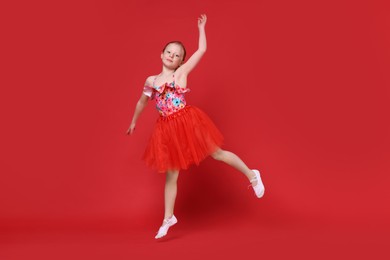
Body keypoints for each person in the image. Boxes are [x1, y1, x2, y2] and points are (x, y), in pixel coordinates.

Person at [126, 14, 265, 239]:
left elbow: (201, 50)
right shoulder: (151, 80)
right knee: (171, 175)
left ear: (181, 61)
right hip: (166, 129)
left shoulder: (181, 73)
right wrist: (133, 121)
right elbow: (142, 102)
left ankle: (252, 175)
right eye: (169, 52)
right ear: (161, 54)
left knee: (217, 153)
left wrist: (202, 29)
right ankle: (168, 218)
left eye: (177, 55)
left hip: (187, 121)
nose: (172, 56)